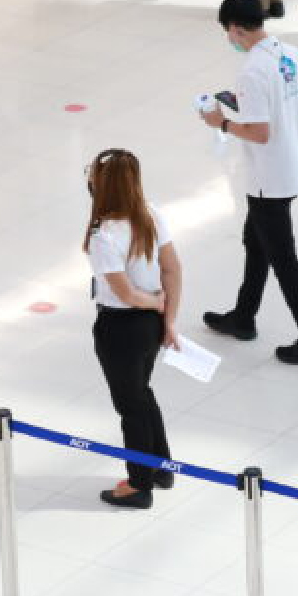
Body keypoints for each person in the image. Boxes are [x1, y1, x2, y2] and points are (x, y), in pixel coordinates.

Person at [198, 0, 298, 366]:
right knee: (254, 242)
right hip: (291, 167)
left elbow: (259, 132)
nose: (228, 39)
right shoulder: (292, 54)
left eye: (227, 31)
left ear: (237, 29)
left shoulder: (253, 71)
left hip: (267, 178)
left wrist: (221, 121)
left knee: (283, 259)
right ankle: (243, 316)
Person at [83, 148, 182, 510]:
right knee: (141, 393)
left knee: (130, 406)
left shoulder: (104, 234)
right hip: (149, 324)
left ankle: (139, 484)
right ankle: (160, 466)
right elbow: (173, 269)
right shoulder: (150, 215)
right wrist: (167, 317)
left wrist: (154, 303)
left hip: (120, 326)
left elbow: (123, 291)